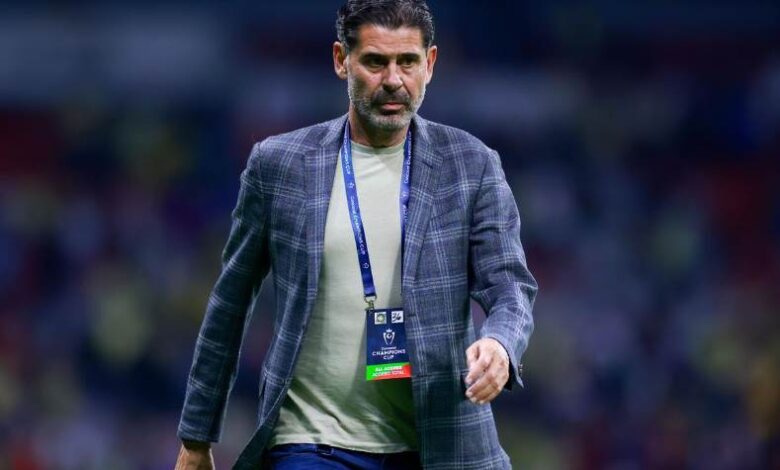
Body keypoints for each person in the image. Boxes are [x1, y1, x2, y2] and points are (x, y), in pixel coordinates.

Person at [174, 0, 537, 468]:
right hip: (310, 440)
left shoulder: (471, 165)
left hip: (440, 445)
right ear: (341, 60)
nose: (393, 80)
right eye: (375, 62)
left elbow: (510, 286)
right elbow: (231, 303)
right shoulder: (279, 165)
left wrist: (501, 343)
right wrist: (196, 437)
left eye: (407, 62)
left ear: (430, 64)